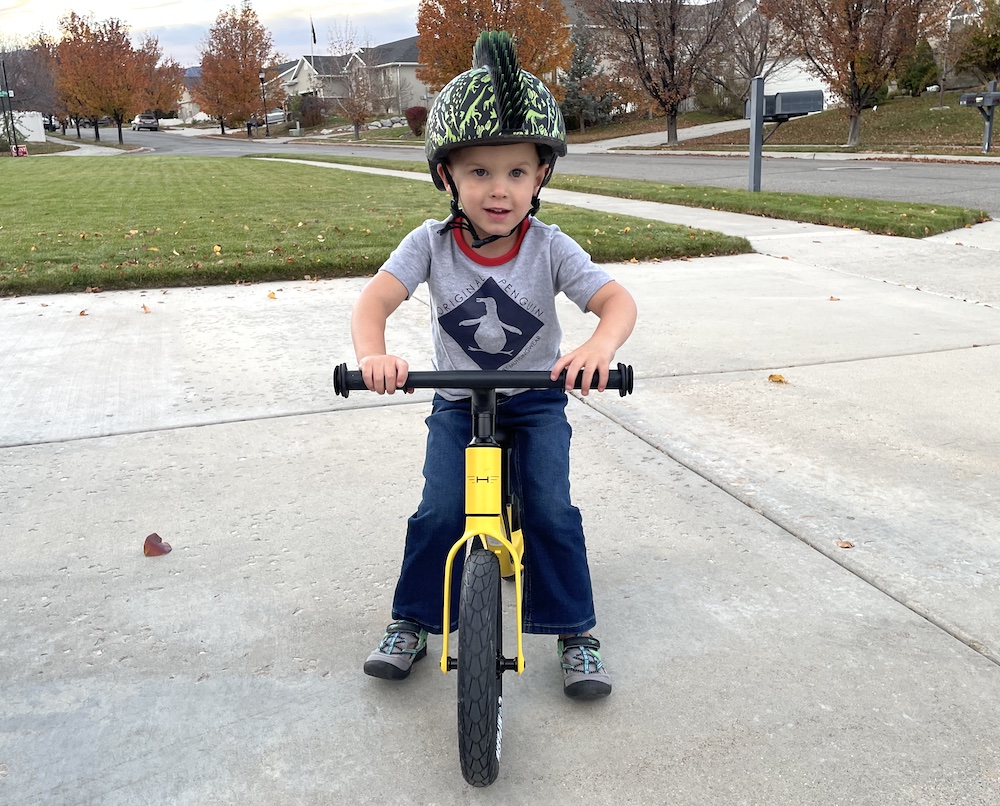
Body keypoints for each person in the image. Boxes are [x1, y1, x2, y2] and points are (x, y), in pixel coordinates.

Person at [351, 30, 637, 700]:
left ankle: (575, 632)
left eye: (516, 171)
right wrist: (374, 355)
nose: (499, 189)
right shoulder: (429, 243)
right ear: (446, 175)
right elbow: (375, 300)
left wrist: (600, 346)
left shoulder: (550, 246)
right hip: (457, 400)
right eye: (479, 171)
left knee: (551, 510)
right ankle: (412, 622)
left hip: (536, 399)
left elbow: (615, 301)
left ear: (542, 175)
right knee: (440, 512)